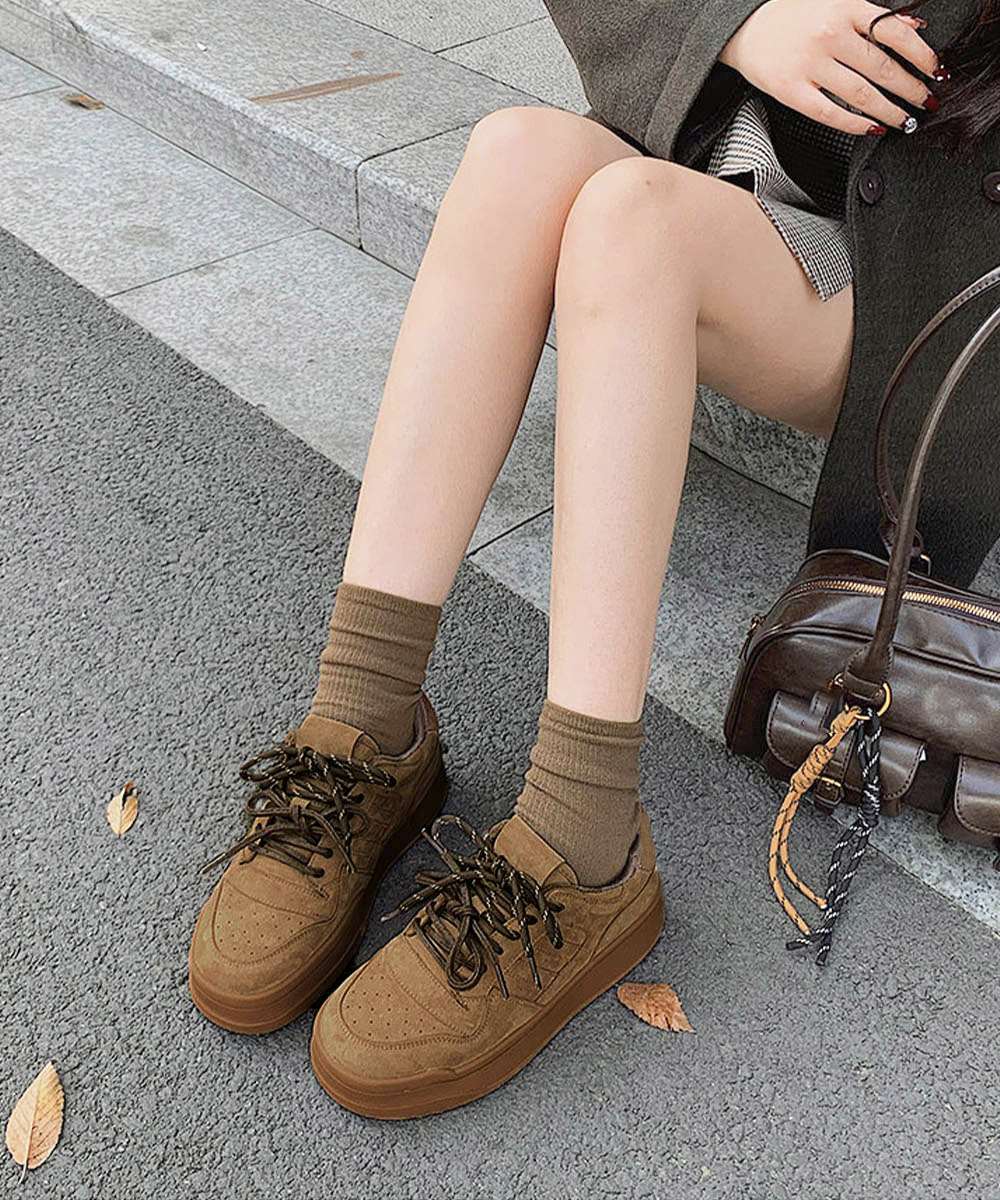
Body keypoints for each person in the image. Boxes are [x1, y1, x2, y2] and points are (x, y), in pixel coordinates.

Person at [188, 0, 999, 1118]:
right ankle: (363, 720)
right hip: (739, 166)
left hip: (925, 266)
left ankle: (586, 836)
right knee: (514, 154)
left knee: (632, 223)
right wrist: (736, 23)